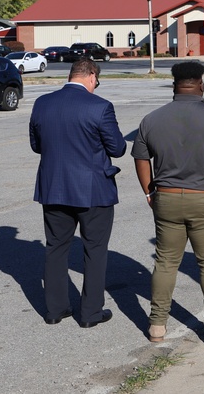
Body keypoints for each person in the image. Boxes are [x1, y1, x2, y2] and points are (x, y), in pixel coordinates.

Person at [132, 61, 204, 345]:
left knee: (166, 261)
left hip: (167, 198)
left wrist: (149, 192)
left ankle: (157, 324)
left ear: (174, 85)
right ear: (200, 84)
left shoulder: (152, 119)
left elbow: (140, 158)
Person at [30, 59, 126, 328]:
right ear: (92, 76)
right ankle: (91, 313)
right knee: (94, 250)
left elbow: (36, 145)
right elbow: (117, 148)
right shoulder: (100, 106)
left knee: (55, 248)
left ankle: (55, 310)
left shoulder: (43, 103)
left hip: (54, 187)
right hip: (93, 189)